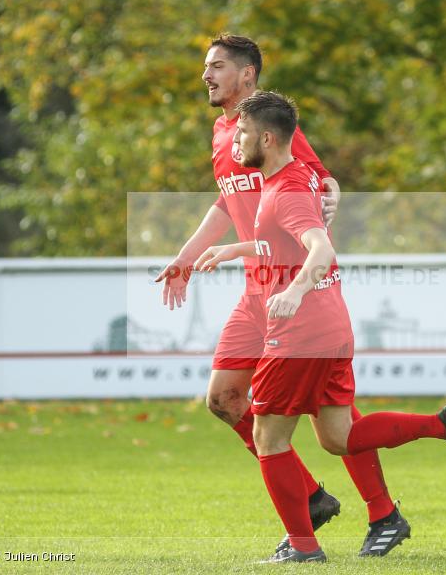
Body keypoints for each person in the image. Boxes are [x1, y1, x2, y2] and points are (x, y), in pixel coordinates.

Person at [197, 91, 446, 563]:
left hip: (301, 331)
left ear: (268, 138)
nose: (235, 140)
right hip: (332, 326)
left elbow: (320, 251)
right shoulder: (289, 179)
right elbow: (287, 244)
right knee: (338, 437)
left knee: (269, 439)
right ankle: (442, 425)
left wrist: (293, 291)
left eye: (242, 133)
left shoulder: (288, 190)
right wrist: (236, 250)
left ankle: (303, 547)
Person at [154, 35, 406, 556]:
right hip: (256, 291)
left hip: (297, 291)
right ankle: (308, 494)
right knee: (223, 399)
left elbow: (316, 177)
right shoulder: (225, 131)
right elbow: (226, 206)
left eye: (217, 66)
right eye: (206, 66)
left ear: (247, 75)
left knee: (328, 416)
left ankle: (380, 513)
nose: (206, 75)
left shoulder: (266, 127)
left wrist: (332, 191)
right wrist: (185, 257)